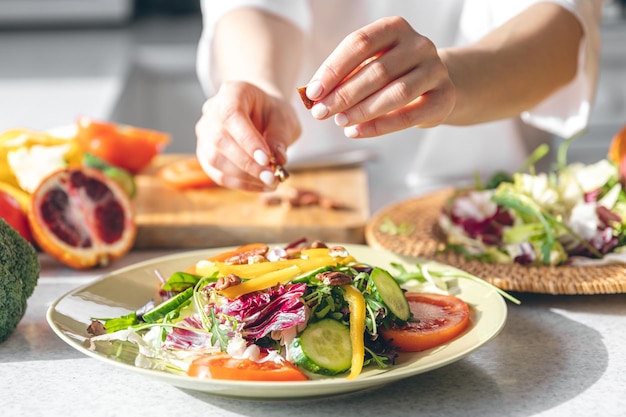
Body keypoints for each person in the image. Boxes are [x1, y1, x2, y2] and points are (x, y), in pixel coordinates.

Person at [194, 1, 602, 209]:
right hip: (317, 199)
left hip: (492, 199)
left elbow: (561, 25)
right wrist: (260, 81)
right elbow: (255, 7)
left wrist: (450, 78)